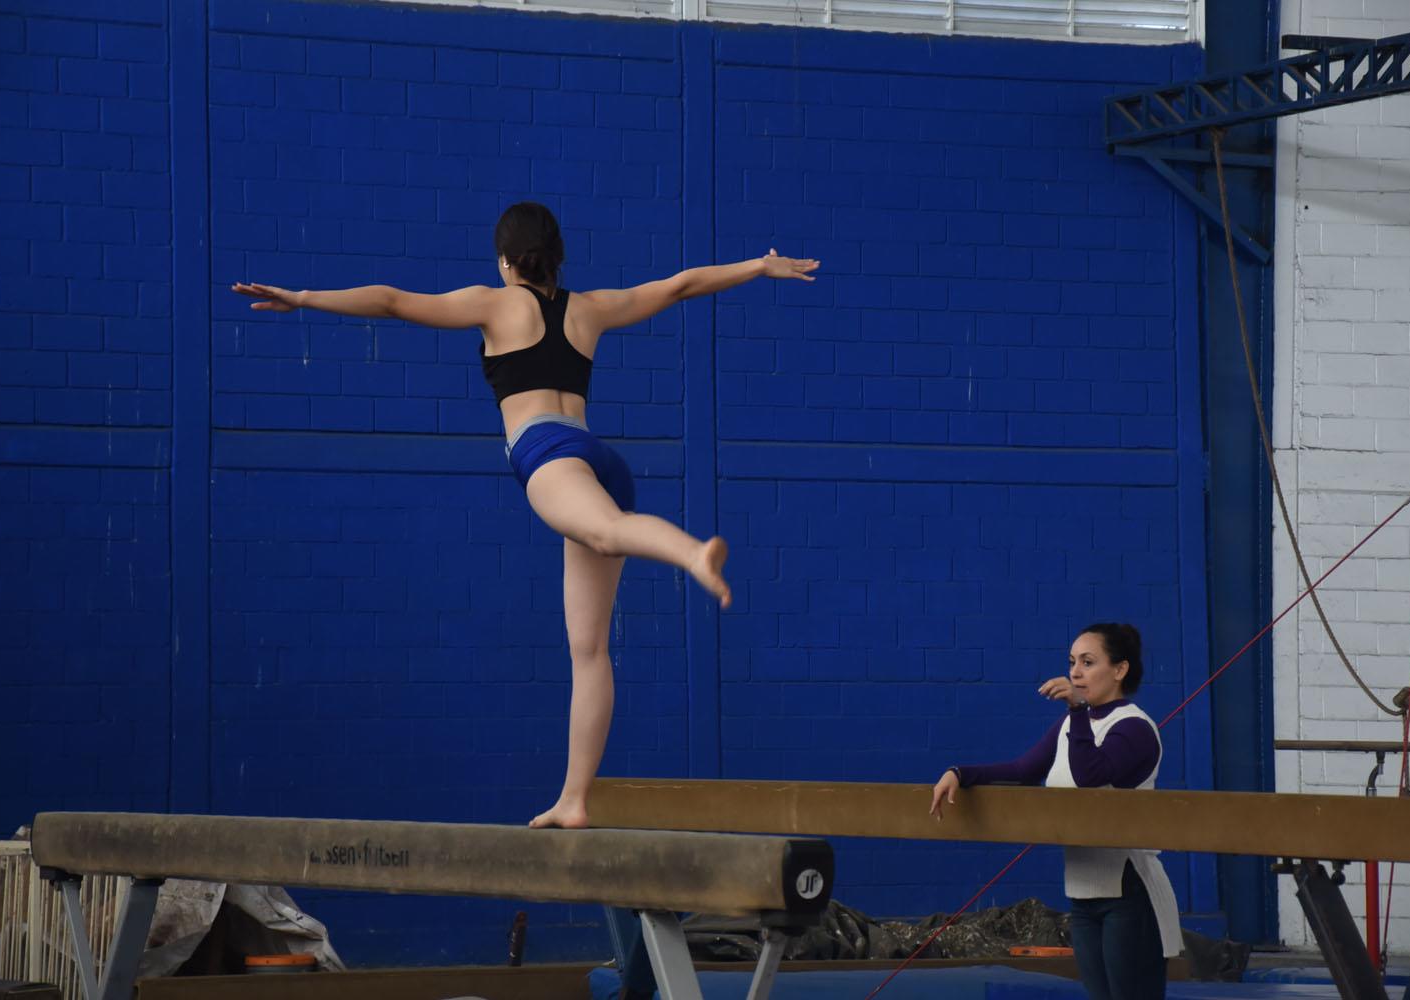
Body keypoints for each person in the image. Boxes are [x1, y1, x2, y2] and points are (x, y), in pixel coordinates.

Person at [233, 201, 819, 829]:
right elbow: (679, 285)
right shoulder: (590, 307)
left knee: (605, 533)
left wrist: (303, 296)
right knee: (588, 648)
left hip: (548, 452)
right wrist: (760, 266)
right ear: (557, 257)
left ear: (507, 261)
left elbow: (393, 301)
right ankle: (574, 799)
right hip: (597, 458)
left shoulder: (496, 303)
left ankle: (690, 554)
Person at [928, 623, 1182, 1000]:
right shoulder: (1071, 725)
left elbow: (1090, 778)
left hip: (1129, 892)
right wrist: (960, 773)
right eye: (1072, 662)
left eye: (1088, 661)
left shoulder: (1134, 727)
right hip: (1082, 894)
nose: (1075, 672)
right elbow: (1022, 772)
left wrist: (1077, 710)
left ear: (1119, 669)